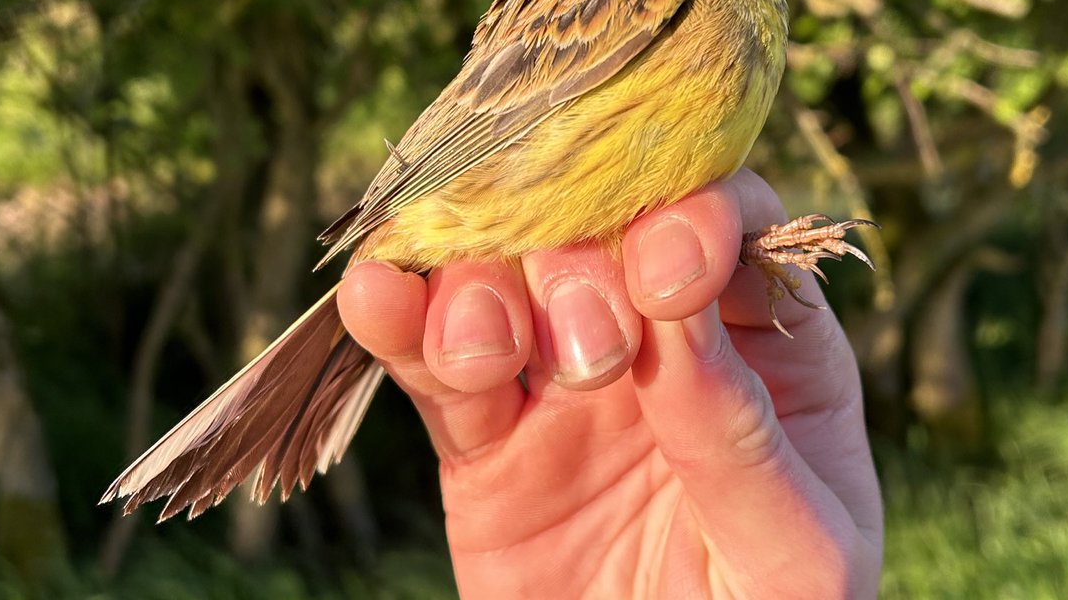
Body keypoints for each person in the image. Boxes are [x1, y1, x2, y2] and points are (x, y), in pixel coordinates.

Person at [338, 169, 883, 598]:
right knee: (670, 261)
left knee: (671, 264)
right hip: (469, 183)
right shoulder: (686, 19)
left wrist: (745, 248)